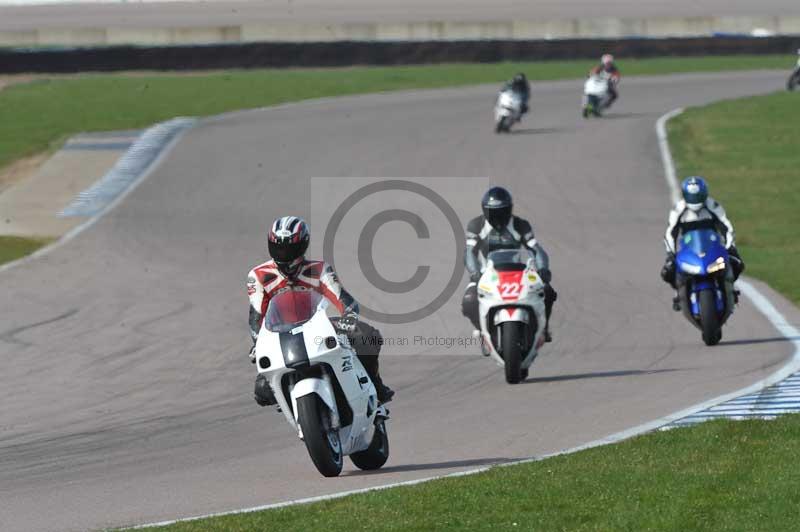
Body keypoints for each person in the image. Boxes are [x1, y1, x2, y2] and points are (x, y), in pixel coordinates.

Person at [247, 216, 394, 406]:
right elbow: (256, 315)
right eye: (278, 247)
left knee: (368, 336)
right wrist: (258, 343)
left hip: (317, 326)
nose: (283, 253)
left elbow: (343, 299)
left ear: (302, 246)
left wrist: (348, 317)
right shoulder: (258, 276)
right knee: (263, 391)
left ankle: (375, 385)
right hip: (279, 333)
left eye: (290, 248)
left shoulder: (319, 269)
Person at [461, 186, 557, 342]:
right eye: (493, 212)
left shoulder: (520, 225)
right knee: (469, 299)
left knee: (547, 291)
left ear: (509, 210)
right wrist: (474, 272)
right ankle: (482, 329)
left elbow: (536, 249)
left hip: (518, 272)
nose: (498, 217)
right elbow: (469, 252)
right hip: (487, 274)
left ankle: (543, 328)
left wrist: (543, 270)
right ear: (485, 211)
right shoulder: (476, 225)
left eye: (502, 212)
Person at [660, 176, 745, 311]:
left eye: (698, 196)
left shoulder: (714, 206)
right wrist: (671, 253)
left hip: (712, 247)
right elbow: (670, 233)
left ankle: (730, 289)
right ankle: (678, 293)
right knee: (667, 271)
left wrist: (730, 247)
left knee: (737, 263)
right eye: (692, 196)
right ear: (685, 195)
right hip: (689, 250)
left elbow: (727, 227)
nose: (695, 200)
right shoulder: (678, 210)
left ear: (704, 194)